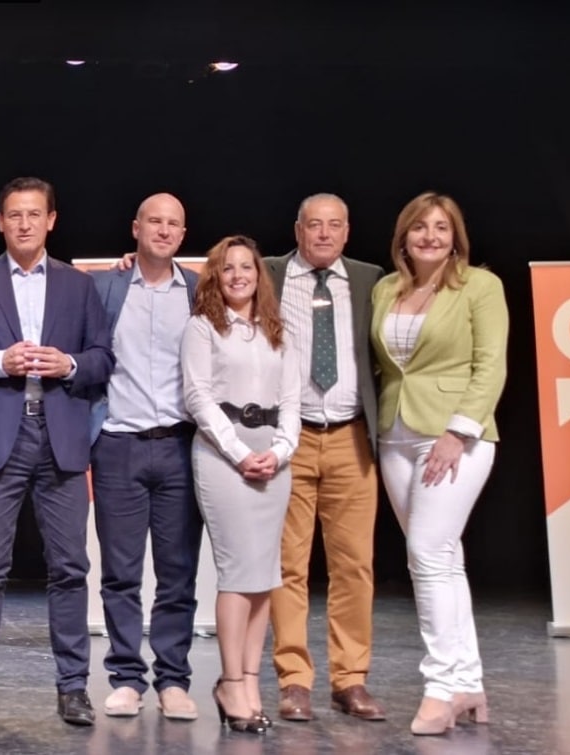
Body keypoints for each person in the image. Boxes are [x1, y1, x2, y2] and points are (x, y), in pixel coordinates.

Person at [0, 177, 115, 729]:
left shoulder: (77, 286)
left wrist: (71, 366)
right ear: (0, 222)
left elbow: (104, 358)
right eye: (14, 214)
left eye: (34, 214)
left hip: (60, 438)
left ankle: (73, 688)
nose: (23, 224)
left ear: (51, 221)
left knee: (69, 568)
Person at [370, 192, 506, 735]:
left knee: (426, 552)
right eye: (420, 227)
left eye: (441, 227)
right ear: (404, 236)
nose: (430, 235)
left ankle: (440, 687)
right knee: (445, 559)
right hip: (394, 433)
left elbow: (491, 365)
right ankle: (469, 682)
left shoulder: (480, 286)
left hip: (456, 436)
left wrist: (458, 432)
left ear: (456, 237)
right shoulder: (385, 288)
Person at [264, 193, 387, 723]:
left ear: (347, 231)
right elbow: (212, 278)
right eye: (313, 225)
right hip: (288, 440)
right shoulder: (268, 274)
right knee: (287, 567)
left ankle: (351, 679)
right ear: (296, 229)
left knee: (354, 566)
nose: (323, 234)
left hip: (351, 438)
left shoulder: (370, 279)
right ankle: (294, 680)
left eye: (333, 225)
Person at [87, 193, 203, 720]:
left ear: (183, 234)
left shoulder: (201, 292)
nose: (163, 230)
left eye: (173, 223)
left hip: (180, 445)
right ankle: (127, 677)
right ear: (135, 228)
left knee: (178, 571)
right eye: (154, 221)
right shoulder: (107, 286)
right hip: (119, 445)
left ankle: (174, 680)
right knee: (121, 572)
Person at [181, 236, 301, 733]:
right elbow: (197, 396)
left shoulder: (277, 329)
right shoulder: (202, 326)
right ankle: (230, 680)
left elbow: (292, 400)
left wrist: (278, 452)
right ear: (215, 275)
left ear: (258, 273)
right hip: (222, 456)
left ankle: (250, 679)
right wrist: (239, 452)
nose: (237, 275)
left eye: (245, 267)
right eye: (227, 268)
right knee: (236, 572)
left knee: (265, 574)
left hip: (273, 458)